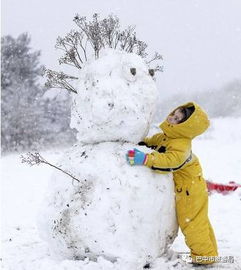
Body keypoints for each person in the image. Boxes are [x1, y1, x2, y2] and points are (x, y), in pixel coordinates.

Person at [126, 102, 218, 265]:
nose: (171, 117)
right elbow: (153, 142)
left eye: (176, 118)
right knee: (199, 221)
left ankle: (204, 258)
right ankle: (210, 253)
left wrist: (147, 159)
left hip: (190, 189)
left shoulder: (181, 143)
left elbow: (171, 161)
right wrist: (141, 144)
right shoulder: (167, 136)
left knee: (192, 223)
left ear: (185, 127)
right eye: (173, 114)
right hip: (190, 184)